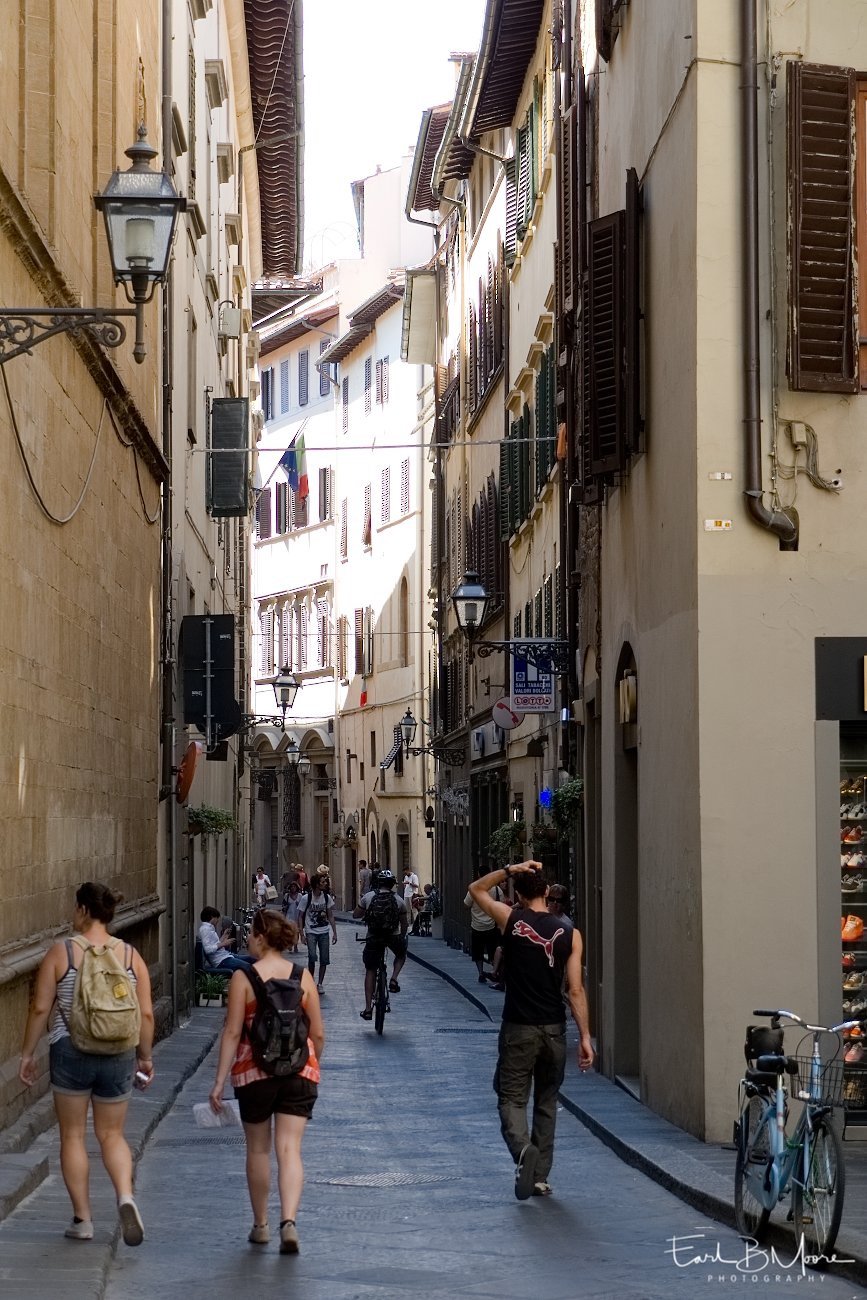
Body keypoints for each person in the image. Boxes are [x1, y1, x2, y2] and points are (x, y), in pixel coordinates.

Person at [18, 882, 154, 1246]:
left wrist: (27, 1054)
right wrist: (145, 1056)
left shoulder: (61, 953)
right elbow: (145, 1013)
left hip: (71, 1050)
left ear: (82, 910)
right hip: (118, 1053)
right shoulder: (130, 956)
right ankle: (124, 1195)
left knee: (73, 1135)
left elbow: (40, 1008)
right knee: (112, 1135)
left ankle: (83, 1220)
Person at [468, 861, 594, 1201]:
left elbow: (476, 889)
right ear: (546, 892)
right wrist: (584, 1036)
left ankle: (523, 1150)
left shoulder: (511, 919)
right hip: (554, 1029)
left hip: (518, 1027)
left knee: (511, 1097)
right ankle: (539, 1178)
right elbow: (575, 990)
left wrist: (511, 869)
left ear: (520, 896)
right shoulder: (571, 934)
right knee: (547, 1101)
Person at [209, 909, 323, 1254]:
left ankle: (260, 1225)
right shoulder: (302, 977)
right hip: (299, 1073)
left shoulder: (243, 978)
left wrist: (219, 1082)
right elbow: (317, 1033)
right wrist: (311, 1064)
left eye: (250, 933)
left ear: (260, 937)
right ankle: (289, 1221)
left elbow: (232, 1033)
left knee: (258, 1149)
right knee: (290, 1150)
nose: (246, 938)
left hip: (253, 1074)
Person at [353, 867, 408, 1019]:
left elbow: (356, 915)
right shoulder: (399, 900)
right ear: (392, 884)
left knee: (370, 970)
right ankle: (394, 979)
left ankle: (368, 1009)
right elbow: (404, 923)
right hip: (392, 937)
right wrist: (402, 937)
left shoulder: (369, 897)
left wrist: (364, 911)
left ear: (378, 883)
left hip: (373, 936)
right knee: (401, 954)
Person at [297, 876, 337, 994]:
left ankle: (320, 983)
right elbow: (300, 916)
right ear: (316, 884)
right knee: (312, 956)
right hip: (311, 932)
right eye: (323, 882)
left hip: (324, 931)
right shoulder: (306, 898)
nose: (325, 884)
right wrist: (301, 934)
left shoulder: (326, 897)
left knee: (324, 959)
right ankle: (310, 981)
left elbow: (330, 915)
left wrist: (334, 932)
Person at [464, 870, 504, 983]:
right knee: (493, 951)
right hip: (492, 926)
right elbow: (502, 905)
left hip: (477, 925)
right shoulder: (497, 890)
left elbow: (466, 905)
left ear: (479, 875)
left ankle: (481, 973)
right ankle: (495, 972)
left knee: (478, 952)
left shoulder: (474, 890)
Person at [199, 907, 255, 972]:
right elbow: (208, 950)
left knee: (252, 959)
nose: (218, 921)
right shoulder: (205, 929)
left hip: (225, 956)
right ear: (212, 917)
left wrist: (224, 935)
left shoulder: (209, 928)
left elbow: (216, 944)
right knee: (247, 966)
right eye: (217, 918)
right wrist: (224, 944)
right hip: (221, 961)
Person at [283, 882, 303, 952]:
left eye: (294, 886)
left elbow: (303, 906)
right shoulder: (287, 896)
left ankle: (295, 945)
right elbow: (283, 906)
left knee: (296, 931)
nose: (293, 888)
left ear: (297, 888)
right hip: (289, 916)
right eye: (292, 886)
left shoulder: (300, 896)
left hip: (297, 916)